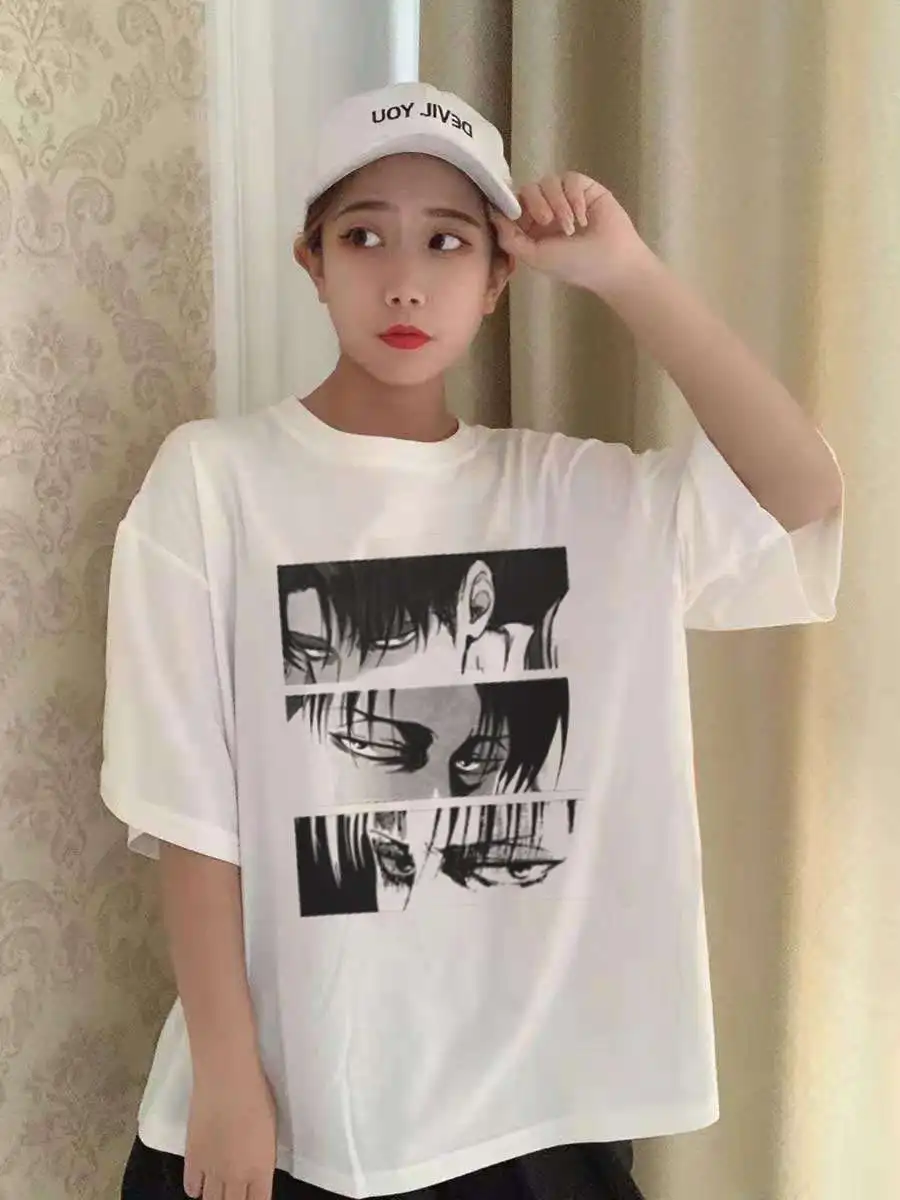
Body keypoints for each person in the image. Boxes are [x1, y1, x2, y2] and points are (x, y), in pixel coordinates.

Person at [100, 80, 843, 1200]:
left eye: (448, 241)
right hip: (295, 1111)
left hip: (534, 1115)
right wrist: (225, 1072)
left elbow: (800, 493)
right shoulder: (214, 479)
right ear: (312, 262)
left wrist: (629, 274)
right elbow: (188, 803)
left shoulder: (574, 496)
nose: (405, 279)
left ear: (500, 278)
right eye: (364, 237)